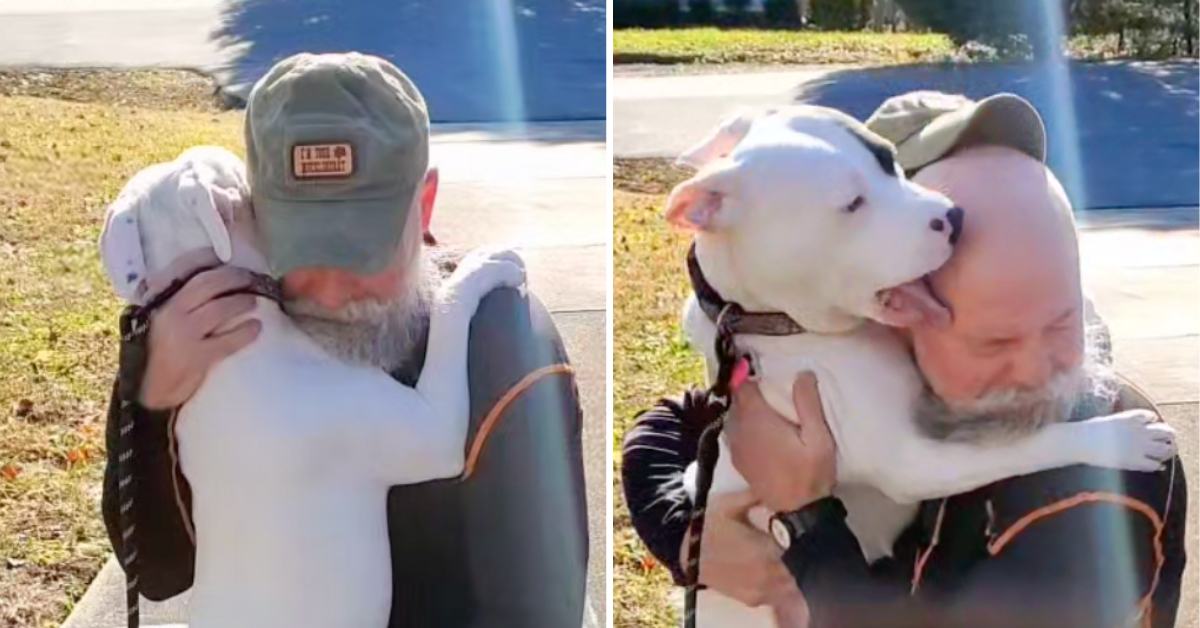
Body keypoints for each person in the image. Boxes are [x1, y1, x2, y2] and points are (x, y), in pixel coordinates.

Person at [622, 92, 1187, 628]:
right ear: (889, 316)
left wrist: (808, 521)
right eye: (989, 342)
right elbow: (674, 423)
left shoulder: (1094, 494)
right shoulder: (860, 367)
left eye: (1064, 316)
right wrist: (694, 539)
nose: (1038, 368)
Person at [101, 52, 588, 627]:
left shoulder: (502, 349)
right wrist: (148, 399)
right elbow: (157, 571)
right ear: (253, 216)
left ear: (424, 204)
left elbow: (537, 611)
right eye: (300, 248)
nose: (329, 292)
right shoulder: (216, 335)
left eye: (361, 249)